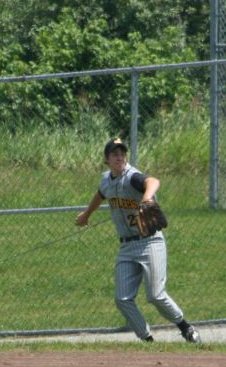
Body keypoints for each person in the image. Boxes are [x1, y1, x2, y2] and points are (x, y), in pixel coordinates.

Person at [75, 138, 200, 344]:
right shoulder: (106, 180)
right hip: (126, 246)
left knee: (155, 295)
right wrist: (87, 215)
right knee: (122, 299)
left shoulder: (131, 177)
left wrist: (147, 197)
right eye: (115, 154)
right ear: (106, 160)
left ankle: (185, 328)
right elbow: (100, 194)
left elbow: (152, 181)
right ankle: (147, 340)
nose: (120, 157)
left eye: (122, 153)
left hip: (149, 242)